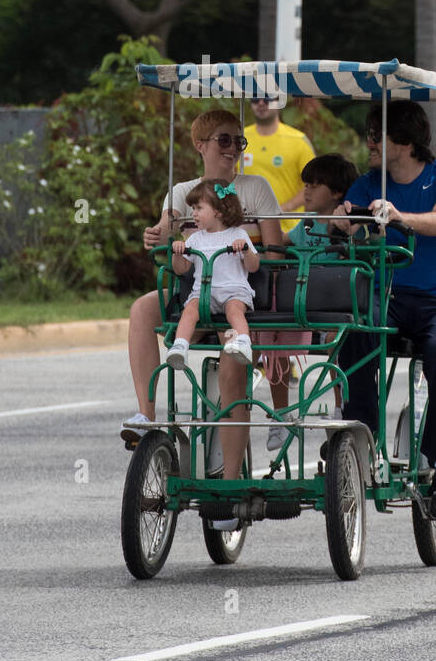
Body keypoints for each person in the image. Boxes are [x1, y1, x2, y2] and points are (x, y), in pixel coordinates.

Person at [332, 101, 436, 521]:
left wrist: (398, 217)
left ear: (406, 141)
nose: (370, 144)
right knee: (356, 329)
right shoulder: (367, 183)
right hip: (390, 297)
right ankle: (360, 436)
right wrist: (346, 222)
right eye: (369, 135)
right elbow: (354, 225)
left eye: (377, 136)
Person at [121, 109, 282, 452]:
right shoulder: (183, 192)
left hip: (241, 295)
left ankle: (230, 484)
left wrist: (241, 259)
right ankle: (147, 417)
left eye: (239, 141)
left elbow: (276, 253)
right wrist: (160, 232)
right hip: (195, 291)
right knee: (142, 310)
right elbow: (168, 222)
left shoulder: (256, 188)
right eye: (224, 140)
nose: (233, 148)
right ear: (200, 145)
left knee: (231, 366)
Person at [282, 154, 360, 420]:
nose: (307, 190)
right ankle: (279, 412)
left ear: (337, 192)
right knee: (269, 330)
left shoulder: (351, 227)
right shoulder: (306, 224)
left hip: (332, 306)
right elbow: (281, 242)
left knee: (333, 339)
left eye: (315, 185)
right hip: (303, 301)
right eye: (306, 184)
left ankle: (340, 406)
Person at [167, 179, 259, 366]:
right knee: (190, 310)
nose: (193, 213)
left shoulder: (238, 235)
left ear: (217, 211)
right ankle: (180, 346)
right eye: (192, 208)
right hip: (204, 292)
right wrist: (178, 253)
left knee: (234, 309)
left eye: (198, 208)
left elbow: (253, 266)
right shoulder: (196, 238)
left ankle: (243, 341)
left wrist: (246, 251)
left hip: (233, 290)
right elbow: (181, 269)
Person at [243, 96, 315, 233]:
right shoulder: (240, 137)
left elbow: (315, 184)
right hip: (248, 229)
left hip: (290, 230)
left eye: (267, 98)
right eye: (255, 99)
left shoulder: (298, 140)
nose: (261, 103)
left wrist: (284, 208)